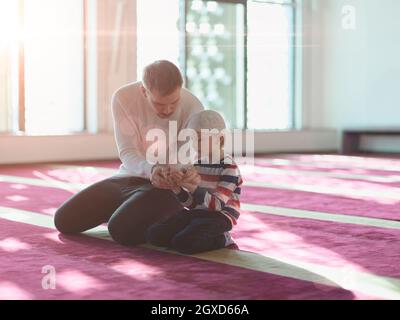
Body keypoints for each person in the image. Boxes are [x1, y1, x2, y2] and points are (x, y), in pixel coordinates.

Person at [54, 60, 203, 246]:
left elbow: (189, 157)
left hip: (168, 188)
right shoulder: (124, 97)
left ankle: (163, 212)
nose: (167, 109)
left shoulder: (194, 106)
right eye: (159, 104)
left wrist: (173, 173)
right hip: (129, 178)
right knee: (64, 220)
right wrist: (152, 170)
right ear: (143, 91)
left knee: (121, 231)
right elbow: (128, 152)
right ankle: (132, 209)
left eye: (173, 102)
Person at [146, 110, 242, 254]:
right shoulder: (197, 164)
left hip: (219, 217)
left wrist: (193, 187)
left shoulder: (229, 168)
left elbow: (216, 206)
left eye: (199, 139)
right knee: (154, 236)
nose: (194, 144)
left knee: (183, 243)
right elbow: (191, 204)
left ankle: (223, 238)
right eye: (191, 139)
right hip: (198, 213)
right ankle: (193, 230)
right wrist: (177, 188)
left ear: (220, 140)